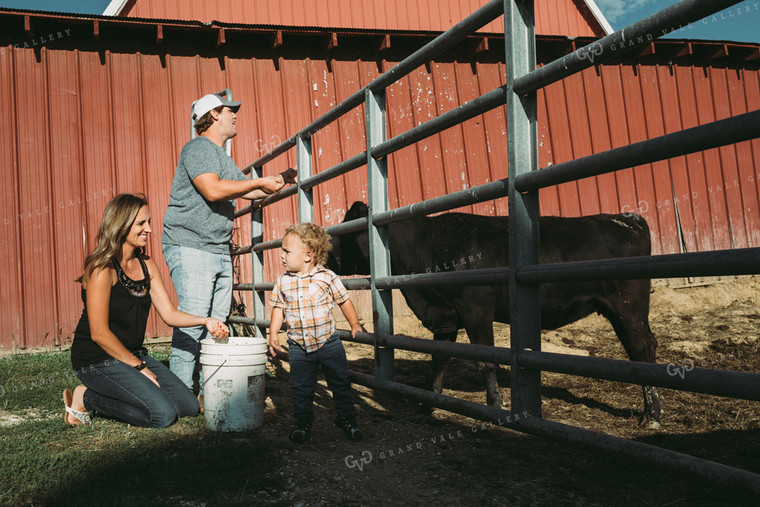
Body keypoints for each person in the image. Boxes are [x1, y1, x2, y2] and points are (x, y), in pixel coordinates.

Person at [161, 92, 296, 391]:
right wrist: (258, 181)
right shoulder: (197, 148)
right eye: (229, 110)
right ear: (213, 116)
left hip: (216, 246)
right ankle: (181, 393)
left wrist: (279, 180)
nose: (235, 115)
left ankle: (208, 387)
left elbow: (248, 191)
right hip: (191, 243)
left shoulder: (221, 156)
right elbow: (212, 190)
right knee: (196, 320)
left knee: (217, 322)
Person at [64, 193, 229, 428]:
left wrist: (205, 321)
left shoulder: (146, 264)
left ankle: (126, 384)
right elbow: (98, 333)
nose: (149, 229)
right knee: (161, 415)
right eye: (141, 223)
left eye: (148, 222)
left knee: (187, 407)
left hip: (132, 354)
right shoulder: (101, 269)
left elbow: (169, 313)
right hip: (97, 359)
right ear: (121, 225)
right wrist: (140, 368)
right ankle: (85, 398)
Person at [268, 223, 364, 443]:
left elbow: (344, 301)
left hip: (328, 343)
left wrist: (355, 323)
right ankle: (303, 423)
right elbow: (278, 309)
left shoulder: (327, 277)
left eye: (286, 251)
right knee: (301, 387)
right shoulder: (283, 281)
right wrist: (273, 333)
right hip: (298, 346)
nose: (282, 255)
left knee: (340, 382)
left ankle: (347, 419)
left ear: (308, 256)